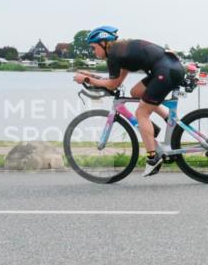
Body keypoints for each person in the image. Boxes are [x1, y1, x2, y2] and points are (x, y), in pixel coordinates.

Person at [73, 26, 186, 177]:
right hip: (168, 68)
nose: (94, 52)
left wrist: (87, 79)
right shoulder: (121, 51)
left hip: (165, 71)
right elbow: (116, 81)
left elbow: (112, 85)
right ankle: (165, 119)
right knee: (136, 92)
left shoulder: (114, 54)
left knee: (141, 113)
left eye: (94, 48)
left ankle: (153, 159)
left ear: (103, 43)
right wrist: (92, 76)